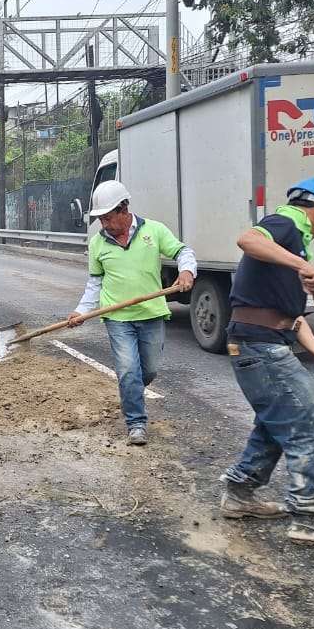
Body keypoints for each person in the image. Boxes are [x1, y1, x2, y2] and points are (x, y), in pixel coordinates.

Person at [218, 178, 314, 549]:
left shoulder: (290, 245)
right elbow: (247, 240)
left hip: (262, 340)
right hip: (259, 345)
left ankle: (239, 493)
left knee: (274, 425)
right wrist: (302, 263)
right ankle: (309, 519)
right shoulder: (285, 222)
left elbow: (293, 318)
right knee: (309, 427)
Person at [67, 180, 195, 445]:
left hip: (151, 314)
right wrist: (81, 311)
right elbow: (95, 283)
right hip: (118, 319)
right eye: (100, 219)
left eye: (108, 217)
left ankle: (131, 392)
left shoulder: (154, 231)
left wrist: (186, 271)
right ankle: (136, 423)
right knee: (128, 371)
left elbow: (183, 251)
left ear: (125, 209)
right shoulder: (97, 243)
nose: (104, 224)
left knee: (148, 371)